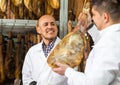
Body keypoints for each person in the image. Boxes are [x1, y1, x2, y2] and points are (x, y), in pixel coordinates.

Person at [53, 0, 120, 85]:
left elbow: (93, 83)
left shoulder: (109, 44)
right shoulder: (113, 37)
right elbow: (102, 41)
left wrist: (67, 71)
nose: (92, 18)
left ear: (105, 17)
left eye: (94, 15)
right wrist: (90, 26)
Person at [22, 15, 68, 85]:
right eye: (45, 24)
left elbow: (72, 74)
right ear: (38, 29)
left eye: (52, 24)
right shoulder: (32, 51)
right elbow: (26, 76)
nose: (50, 27)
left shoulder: (67, 49)